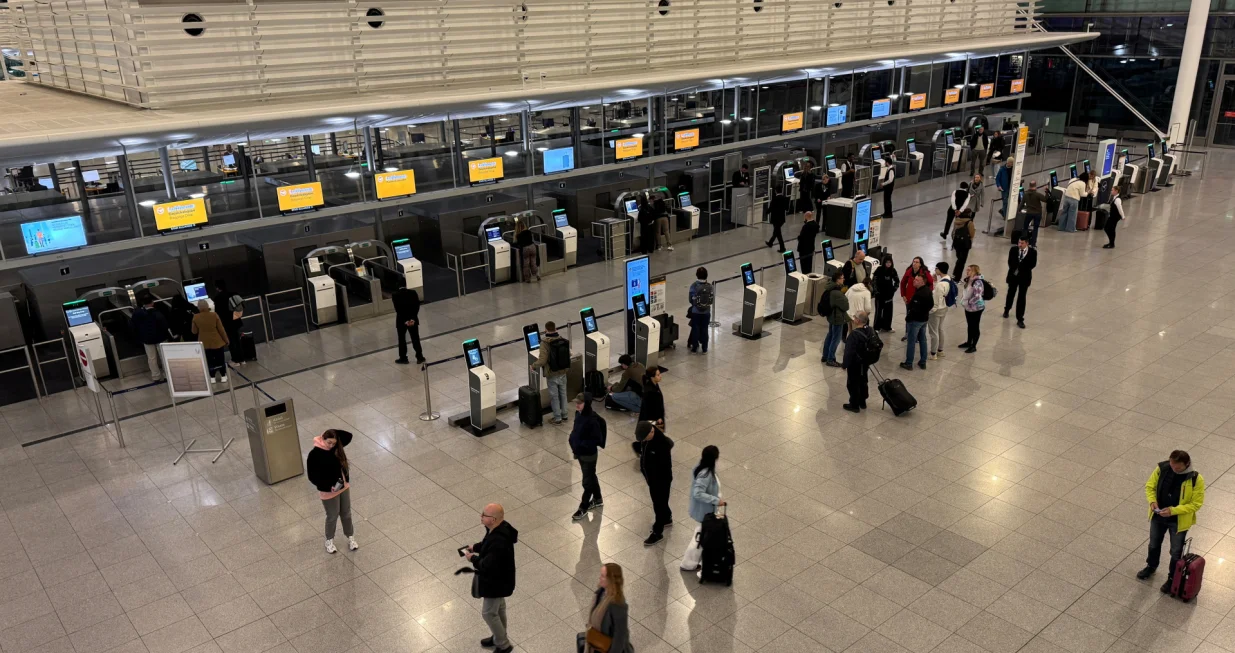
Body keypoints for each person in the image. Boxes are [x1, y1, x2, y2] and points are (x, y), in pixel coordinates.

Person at [1136, 450, 1205, 594]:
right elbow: (1150, 486)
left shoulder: (1195, 479)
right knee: (1154, 544)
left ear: (1186, 464)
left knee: (1175, 552)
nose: (1173, 468)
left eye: (1177, 466)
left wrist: (1173, 511)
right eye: (1172, 464)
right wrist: (1152, 501)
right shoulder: (1162, 468)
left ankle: (1172, 577)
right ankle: (1151, 566)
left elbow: (1196, 504)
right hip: (1158, 516)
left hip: (1178, 522)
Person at [467, 504, 518, 653]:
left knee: (489, 613)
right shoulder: (499, 529)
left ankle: (503, 644)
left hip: (495, 583)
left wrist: (473, 559)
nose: (481, 516)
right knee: (499, 608)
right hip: (503, 580)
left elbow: (487, 565)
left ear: (493, 519)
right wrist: (475, 547)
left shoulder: (498, 541)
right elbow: (487, 544)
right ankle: (498, 636)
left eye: (484, 515)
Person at [306, 429, 358, 554]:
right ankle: (329, 540)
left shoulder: (336, 448)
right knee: (332, 516)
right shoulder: (314, 454)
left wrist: (333, 433)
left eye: (333, 443)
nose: (331, 446)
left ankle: (350, 537)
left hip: (343, 486)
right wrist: (328, 487)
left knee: (346, 513)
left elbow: (348, 436)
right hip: (328, 492)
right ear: (322, 438)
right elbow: (312, 477)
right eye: (329, 442)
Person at [681, 445, 723, 571]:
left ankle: (692, 563)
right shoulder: (706, 474)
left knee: (702, 537)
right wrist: (716, 500)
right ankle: (689, 563)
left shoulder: (701, 468)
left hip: (705, 511)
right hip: (705, 512)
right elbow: (698, 493)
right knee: (700, 539)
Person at [580, 563, 633, 653]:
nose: (599, 578)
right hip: (597, 643)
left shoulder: (618, 605)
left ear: (610, 580)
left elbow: (620, 636)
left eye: (603, 576)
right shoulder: (601, 593)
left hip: (606, 648)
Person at [636, 420, 674, 546]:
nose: (643, 440)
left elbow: (664, 468)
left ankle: (658, 532)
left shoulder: (662, 445)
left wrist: (654, 480)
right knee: (661, 503)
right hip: (652, 479)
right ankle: (667, 517)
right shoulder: (647, 440)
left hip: (661, 481)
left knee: (659, 505)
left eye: (644, 438)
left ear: (651, 432)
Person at [569, 393, 606, 521]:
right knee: (591, 476)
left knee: (587, 481)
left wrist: (581, 445)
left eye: (580, 403)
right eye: (576, 402)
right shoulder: (578, 414)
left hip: (588, 455)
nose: (577, 405)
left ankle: (583, 507)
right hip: (579, 453)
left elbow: (597, 438)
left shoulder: (592, 420)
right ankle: (598, 499)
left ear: (587, 404)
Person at [530, 321, 570, 424]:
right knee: (563, 394)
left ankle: (557, 418)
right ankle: (565, 415)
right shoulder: (562, 339)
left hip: (552, 373)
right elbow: (568, 353)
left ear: (545, 330)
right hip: (563, 371)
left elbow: (543, 360)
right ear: (555, 328)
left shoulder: (545, 343)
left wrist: (533, 366)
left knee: (554, 397)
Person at [130, 293, 169, 382]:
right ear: (152, 303)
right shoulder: (157, 313)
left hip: (147, 339)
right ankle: (167, 375)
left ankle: (156, 376)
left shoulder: (137, 313)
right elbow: (164, 325)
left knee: (151, 358)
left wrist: (139, 337)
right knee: (164, 357)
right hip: (161, 338)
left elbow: (133, 325)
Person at [191, 300, 230, 383]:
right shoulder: (214, 315)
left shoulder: (196, 317)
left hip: (204, 343)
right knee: (220, 359)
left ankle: (212, 377)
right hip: (217, 342)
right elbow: (221, 330)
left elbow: (194, 331)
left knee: (209, 360)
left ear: (199, 307)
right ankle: (223, 375)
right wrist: (226, 340)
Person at [842, 312, 874, 412]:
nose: (854, 319)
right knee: (863, 381)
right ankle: (862, 401)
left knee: (852, 383)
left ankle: (854, 405)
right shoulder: (870, 330)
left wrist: (844, 364)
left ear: (858, 321)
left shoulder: (854, 335)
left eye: (855, 317)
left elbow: (849, 352)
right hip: (865, 362)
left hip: (855, 364)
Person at [1004, 235, 1037, 329]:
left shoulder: (1033, 252)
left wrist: (1021, 269)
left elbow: (1032, 264)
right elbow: (1010, 262)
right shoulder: (1013, 250)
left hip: (1024, 277)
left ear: (1027, 243)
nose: (1020, 245)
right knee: (1011, 293)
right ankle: (1007, 309)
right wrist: (1015, 270)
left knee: (1022, 297)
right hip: (1013, 276)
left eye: (1022, 243)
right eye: (1019, 242)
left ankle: (1020, 318)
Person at [900, 276, 931, 371]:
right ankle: (923, 362)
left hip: (916, 321)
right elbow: (931, 305)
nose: (914, 281)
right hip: (924, 320)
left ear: (923, 282)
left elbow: (914, 309)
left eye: (917, 280)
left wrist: (908, 318)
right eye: (915, 279)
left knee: (911, 341)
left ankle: (909, 363)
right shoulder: (928, 291)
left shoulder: (919, 294)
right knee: (923, 340)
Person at [820, 269, 849, 367]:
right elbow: (846, 306)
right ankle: (830, 359)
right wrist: (843, 295)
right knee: (836, 339)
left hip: (831, 316)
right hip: (837, 317)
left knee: (830, 335)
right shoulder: (836, 293)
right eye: (842, 278)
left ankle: (825, 355)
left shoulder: (829, 288)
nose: (843, 279)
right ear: (837, 280)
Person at [213, 280, 245, 366]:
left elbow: (217, 312)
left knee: (230, 341)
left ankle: (235, 360)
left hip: (227, 323)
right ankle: (242, 359)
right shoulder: (233, 294)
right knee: (237, 340)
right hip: (236, 320)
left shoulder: (218, 298)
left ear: (217, 288)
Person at [392, 286, 424, 365]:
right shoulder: (413, 292)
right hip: (413, 320)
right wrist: (412, 319)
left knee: (402, 339)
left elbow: (398, 309)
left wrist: (406, 320)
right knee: (415, 338)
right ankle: (419, 357)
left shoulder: (395, 295)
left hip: (401, 321)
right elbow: (417, 305)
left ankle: (403, 358)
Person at [958, 264, 986, 353]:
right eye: (967, 270)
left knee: (975, 326)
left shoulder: (978, 282)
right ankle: (968, 342)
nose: (967, 271)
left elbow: (977, 297)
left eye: (969, 270)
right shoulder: (969, 279)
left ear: (974, 271)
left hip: (976, 308)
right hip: (968, 308)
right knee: (970, 325)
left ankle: (974, 346)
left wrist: (967, 302)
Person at [928, 263, 952, 361]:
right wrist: (935, 282)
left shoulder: (940, 285)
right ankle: (940, 350)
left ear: (940, 270)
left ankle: (933, 353)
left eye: (936, 268)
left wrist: (930, 311)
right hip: (944, 308)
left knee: (933, 332)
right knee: (940, 329)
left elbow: (936, 301)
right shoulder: (948, 279)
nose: (935, 270)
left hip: (937, 310)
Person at [687, 267, 712, 354]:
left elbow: (690, 299)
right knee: (705, 329)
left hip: (696, 311)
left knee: (695, 328)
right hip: (706, 312)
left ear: (697, 275)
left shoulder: (694, 286)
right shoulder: (710, 286)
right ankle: (704, 348)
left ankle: (695, 347)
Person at [872, 255, 897, 333]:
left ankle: (887, 327)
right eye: (887, 262)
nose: (888, 264)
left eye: (890, 262)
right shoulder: (879, 269)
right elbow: (874, 281)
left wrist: (893, 290)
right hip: (879, 295)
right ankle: (876, 327)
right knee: (878, 312)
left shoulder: (893, 271)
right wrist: (876, 291)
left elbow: (897, 281)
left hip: (889, 295)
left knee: (888, 312)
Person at [1022, 180, 1047, 246]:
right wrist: (1046, 192)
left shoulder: (1025, 194)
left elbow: (1021, 204)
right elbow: (1045, 199)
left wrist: (1019, 210)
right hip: (1037, 213)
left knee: (1025, 227)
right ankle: (1033, 243)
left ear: (1029, 186)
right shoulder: (1037, 194)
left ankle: (1024, 242)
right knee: (1035, 228)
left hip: (1029, 213)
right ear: (1035, 186)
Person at [952, 209, 976, 277]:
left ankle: (955, 273)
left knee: (959, 259)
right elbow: (972, 234)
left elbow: (953, 232)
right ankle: (957, 277)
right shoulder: (969, 222)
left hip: (956, 243)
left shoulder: (956, 221)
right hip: (965, 244)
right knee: (962, 261)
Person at [766, 185, 789, 250]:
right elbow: (787, 209)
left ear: (776, 191)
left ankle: (782, 248)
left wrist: (766, 212)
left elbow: (771, 208)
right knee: (776, 231)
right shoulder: (785, 198)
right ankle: (770, 242)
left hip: (775, 219)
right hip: (781, 219)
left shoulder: (774, 199)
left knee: (778, 233)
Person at [880, 154, 896, 219]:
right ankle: (886, 212)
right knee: (886, 200)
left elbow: (890, 180)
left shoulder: (891, 170)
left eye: (885, 162)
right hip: (887, 188)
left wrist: (883, 184)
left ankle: (889, 214)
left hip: (889, 188)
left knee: (888, 200)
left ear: (887, 162)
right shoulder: (889, 169)